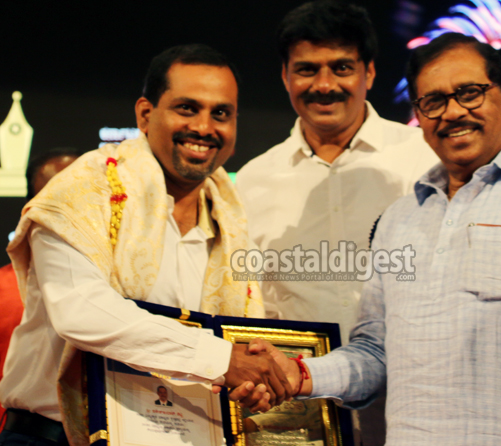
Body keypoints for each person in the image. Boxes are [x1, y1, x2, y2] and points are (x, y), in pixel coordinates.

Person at [235, 32, 501, 446]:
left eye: (470, 93)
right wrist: (300, 374)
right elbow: (374, 353)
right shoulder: (399, 219)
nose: (452, 112)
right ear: (419, 117)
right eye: (433, 101)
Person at [0, 44, 291, 446]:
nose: (204, 127)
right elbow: (81, 311)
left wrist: (252, 381)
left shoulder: (232, 218)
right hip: (56, 437)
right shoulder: (82, 191)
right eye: (187, 108)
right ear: (145, 114)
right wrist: (222, 359)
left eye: (221, 113)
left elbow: (237, 341)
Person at [235, 3, 437, 443]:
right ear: (286, 76)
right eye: (307, 70)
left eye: (341, 67)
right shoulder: (251, 182)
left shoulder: (426, 159)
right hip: (301, 420)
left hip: (415, 413)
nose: (324, 85)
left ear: (369, 72)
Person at [0, 148, 80, 424]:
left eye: (79, 194)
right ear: (30, 209)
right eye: (54, 198)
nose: (69, 209)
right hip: (27, 430)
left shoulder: (126, 284)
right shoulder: (3, 288)